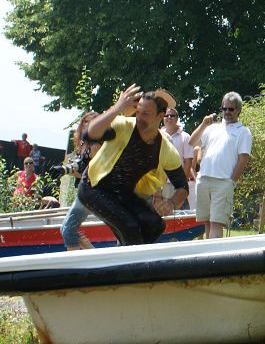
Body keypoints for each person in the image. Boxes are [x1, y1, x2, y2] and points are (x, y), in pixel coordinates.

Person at [78, 85, 188, 246]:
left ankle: (124, 260)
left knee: (154, 225)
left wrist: (171, 203)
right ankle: (130, 264)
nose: (139, 118)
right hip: (93, 189)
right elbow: (89, 134)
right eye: (138, 112)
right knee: (129, 228)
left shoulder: (166, 149)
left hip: (122, 194)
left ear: (161, 115)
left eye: (145, 114)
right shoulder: (123, 126)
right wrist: (117, 108)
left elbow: (182, 186)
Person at [188, 92, 252, 238]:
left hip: (224, 182)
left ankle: (212, 259)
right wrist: (203, 124)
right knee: (206, 222)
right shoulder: (211, 128)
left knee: (217, 223)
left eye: (231, 109)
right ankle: (207, 257)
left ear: (238, 110)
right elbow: (192, 142)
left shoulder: (243, 132)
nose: (227, 112)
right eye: (224, 108)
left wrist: (231, 181)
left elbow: (244, 158)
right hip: (204, 179)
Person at [60, 111, 101, 251]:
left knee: (68, 231)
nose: (87, 125)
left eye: (91, 122)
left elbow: (93, 174)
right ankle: (94, 256)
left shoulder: (96, 146)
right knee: (66, 229)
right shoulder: (84, 143)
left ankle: (78, 265)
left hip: (91, 192)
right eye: (85, 122)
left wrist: (73, 172)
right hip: (84, 191)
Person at [161, 107, 195, 208]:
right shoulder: (157, 135)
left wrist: (180, 182)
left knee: (180, 215)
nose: (169, 117)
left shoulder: (185, 137)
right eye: (166, 115)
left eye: (172, 115)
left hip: (178, 184)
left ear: (177, 118)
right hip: (161, 184)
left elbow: (188, 162)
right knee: (163, 215)